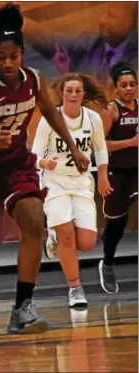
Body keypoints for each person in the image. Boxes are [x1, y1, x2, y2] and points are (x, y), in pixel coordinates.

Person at [0, 4, 90, 334]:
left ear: (22, 54)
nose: (7, 64)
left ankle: (22, 308)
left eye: (14, 57)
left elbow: (51, 114)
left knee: (34, 221)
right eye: (1, 58)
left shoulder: (34, 79)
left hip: (16, 165)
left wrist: (75, 148)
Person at [32, 73, 112, 307]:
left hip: (81, 182)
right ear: (62, 93)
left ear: (83, 94)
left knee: (86, 243)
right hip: (55, 182)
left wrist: (103, 177)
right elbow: (34, 154)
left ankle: (56, 236)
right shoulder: (49, 119)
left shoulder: (93, 119)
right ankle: (75, 288)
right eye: (69, 91)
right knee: (67, 233)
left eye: (78, 91)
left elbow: (101, 149)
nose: (74, 94)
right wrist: (44, 163)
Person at [99, 61, 138, 294]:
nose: (129, 89)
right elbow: (100, 145)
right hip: (117, 171)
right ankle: (108, 263)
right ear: (115, 88)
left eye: (132, 84)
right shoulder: (111, 111)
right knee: (117, 223)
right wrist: (130, 143)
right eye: (124, 85)